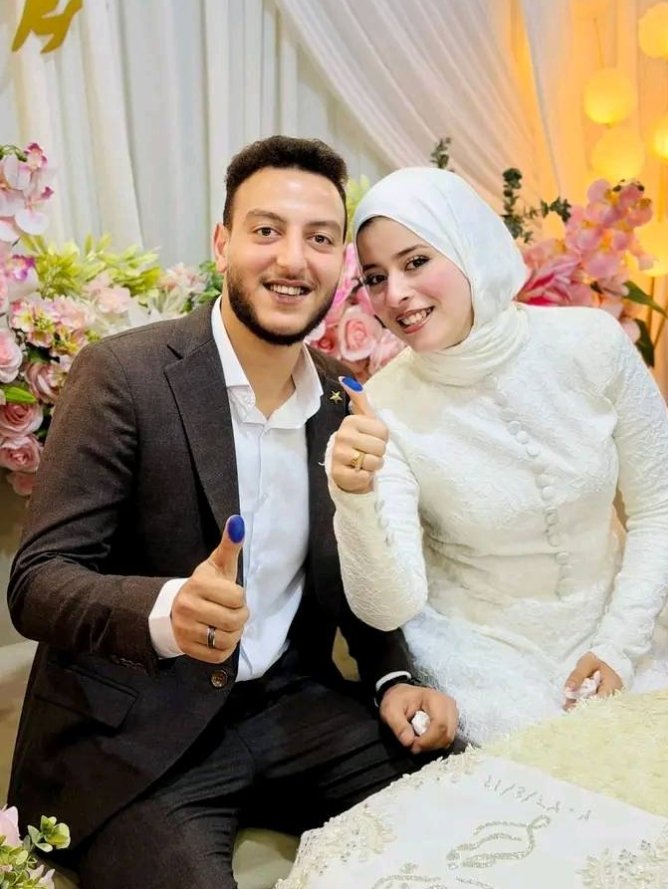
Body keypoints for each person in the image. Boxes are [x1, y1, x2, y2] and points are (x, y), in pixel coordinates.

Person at [6, 138, 458, 889]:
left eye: (320, 238)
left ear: (340, 263)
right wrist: (167, 610)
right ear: (222, 244)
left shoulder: (343, 395)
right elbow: (37, 582)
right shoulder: (123, 375)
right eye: (266, 230)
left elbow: (353, 568)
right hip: (139, 733)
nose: (293, 259)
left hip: (293, 707)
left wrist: (392, 676)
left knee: (469, 815)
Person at [328, 166, 668, 745]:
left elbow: (662, 506)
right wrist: (354, 498)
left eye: (416, 262)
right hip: (481, 662)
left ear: (468, 246)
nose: (395, 294)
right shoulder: (383, 406)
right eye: (375, 278)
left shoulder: (591, 342)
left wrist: (618, 647)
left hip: (624, 631)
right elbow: (390, 606)